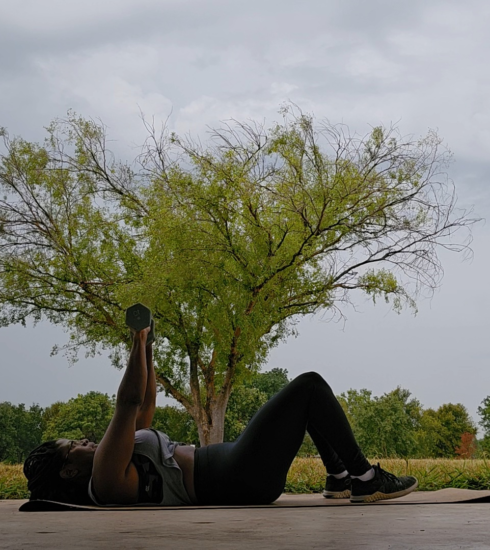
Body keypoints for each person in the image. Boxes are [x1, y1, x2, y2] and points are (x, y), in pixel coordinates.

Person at [24, 322, 418, 507]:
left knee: (301, 403)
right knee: (308, 387)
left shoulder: (114, 464)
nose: (83, 442)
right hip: (235, 477)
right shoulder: (105, 478)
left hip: (233, 468)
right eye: (72, 446)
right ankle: (364, 478)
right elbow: (126, 404)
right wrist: (136, 340)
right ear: (68, 470)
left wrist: (148, 348)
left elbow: (142, 408)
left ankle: (339, 478)